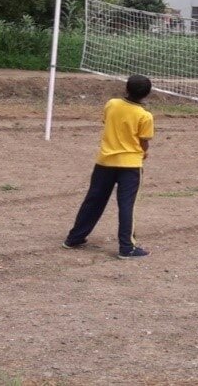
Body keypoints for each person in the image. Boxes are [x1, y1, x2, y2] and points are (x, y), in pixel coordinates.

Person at [63, 75, 154, 259]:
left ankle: (74, 238)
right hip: (130, 165)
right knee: (127, 205)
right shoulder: (145, 116)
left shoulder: (111, 104)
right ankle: (127, 247)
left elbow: (108, 123)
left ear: (126, 88)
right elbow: (143, 141)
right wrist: (144, 152)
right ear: (147, 94)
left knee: (93, 201)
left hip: (105, 162)